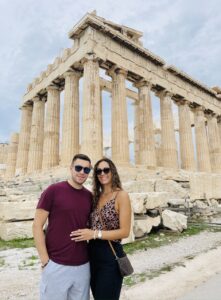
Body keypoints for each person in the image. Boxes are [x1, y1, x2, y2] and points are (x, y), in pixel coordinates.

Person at [33, 153, 93, 300]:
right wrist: (45, 261)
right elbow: (37, 226)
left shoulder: (89, 196)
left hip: (83, 266)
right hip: (56, 265)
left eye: (86, 170)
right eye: (78, 168)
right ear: (71, 168)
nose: (82, 172)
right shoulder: (53, 191)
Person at [70, 157, 131, 300]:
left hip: (110, 255)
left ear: (113, 172)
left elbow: (125, 231)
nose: (102, 173)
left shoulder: (121, 195)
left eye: (106, 170)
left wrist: (95, 234)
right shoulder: (95, 197)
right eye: (98, 171)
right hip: (91, 254)